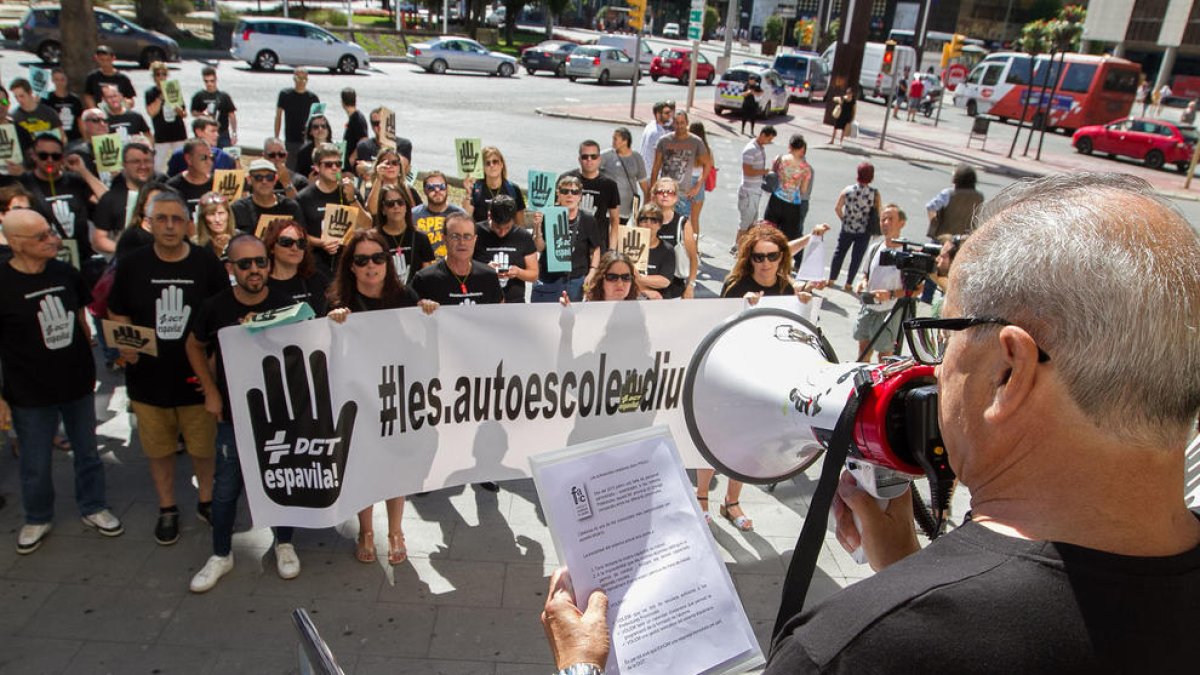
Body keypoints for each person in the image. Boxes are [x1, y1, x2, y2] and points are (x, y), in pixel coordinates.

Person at [542, 175, 1200, 674]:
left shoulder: (864, 649)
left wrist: (580, 666)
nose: (936, 369)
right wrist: (901, 563)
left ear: (1010, 370)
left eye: (944, 334)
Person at [0, 208, 124, 554]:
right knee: (34, 460)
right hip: (29, 392)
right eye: (41, 237)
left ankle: (94, 506)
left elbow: (83, 323)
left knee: (87, 451)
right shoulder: (3, 282)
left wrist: (92, 367)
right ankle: (37, 516)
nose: (52, 240)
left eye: (51, 232)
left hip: (76, 383)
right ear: (15, 243)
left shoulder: (65, 272)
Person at [107, 191, 227, 545]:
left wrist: (214, 369)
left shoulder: (206, 263)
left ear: (189, 224)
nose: (170, 226)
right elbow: (117, 308)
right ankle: (167, 508)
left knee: (203, 449)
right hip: (147, 379)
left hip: (196, 380)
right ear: (149, 223)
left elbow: (223, 313)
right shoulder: (132, 263)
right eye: (162, 219)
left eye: (177, 219)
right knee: (159, 451)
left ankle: (206, 501)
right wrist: (126, 345)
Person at [186, 233, 301, 592]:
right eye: (245, 264)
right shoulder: (214, 306)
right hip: (233, 416)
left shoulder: (286, 303)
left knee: (281, 480)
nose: (254, 270)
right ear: (230, 268)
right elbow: (194, 345)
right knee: (225, 489)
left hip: (277, 414)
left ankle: (284, 543)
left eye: (260, 262)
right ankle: (221, 553)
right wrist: (211, 391)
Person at [327, 230, 438, 564]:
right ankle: (366, 530)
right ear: (351, 266)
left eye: (378, 258)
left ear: (387, 263)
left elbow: (422, 338)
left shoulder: (404, 296)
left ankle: (394, 530)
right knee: (362, 466)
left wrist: (427, 311)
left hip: (394, 396)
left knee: (394, 466)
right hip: (357, 398)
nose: (371, 266)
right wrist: (333, 323)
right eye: (361, 260)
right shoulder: (336, 303)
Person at [19, 133, 108, 270]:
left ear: (63, 158)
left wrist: (83, 171)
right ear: (34, 156)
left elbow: (109, 203)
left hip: (82, 258)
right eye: (43, 156)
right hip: (44, 261)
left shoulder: (75, 181)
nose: (50, 160)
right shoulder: (24, 184)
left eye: (56, 156)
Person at [531, 175, 604, 303]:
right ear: (558, 194)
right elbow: (539, 247)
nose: (570, 195)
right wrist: (537, 227)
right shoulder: (548, 214)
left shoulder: (588, 219)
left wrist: (592, 272)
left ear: (580, 196)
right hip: (549, 277)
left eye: (574, 192)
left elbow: (596, 248)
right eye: (565, 191)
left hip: (575, 279)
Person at [852, 204, 908, 362]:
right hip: (868, 307)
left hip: (889, 311)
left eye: (890, 219)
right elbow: (865, 273)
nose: (885, 223)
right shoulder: (875, 248)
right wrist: (862, 283)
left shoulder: (906, 253)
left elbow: (916, 290)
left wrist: (890, 294)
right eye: (883, 219)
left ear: (902, 223)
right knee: (863, 351)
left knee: (884, 357)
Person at [412, 212, 503, 305]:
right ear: (444, 239)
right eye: (455, 236)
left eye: (467, 236)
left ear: (475, 239)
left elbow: (499, 313)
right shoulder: (424, 279)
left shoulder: (489, 276)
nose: (462, 242)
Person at [296, 143, 362, 267]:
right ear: (316, 167)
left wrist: (352, 199)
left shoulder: (350, 191)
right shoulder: (303, 198)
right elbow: (299, 234)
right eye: (328, 164)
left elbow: (367, 225)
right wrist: (321, 243)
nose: (334, 168)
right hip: (316, 262)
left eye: (338, 164)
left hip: (348, 262)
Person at [93, 141, 159, 256]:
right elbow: (99, 240)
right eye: (136, 162)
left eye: (147, 161)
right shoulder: (110, 199)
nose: (143, 166)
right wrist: (126, 250)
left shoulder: (166, 194)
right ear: (124, 164)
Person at [473, 194, 538, 304]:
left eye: (507, 228)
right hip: (482, 300)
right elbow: (461, 265)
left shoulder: (523, 236)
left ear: (513, 220)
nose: (502, 233)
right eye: (497, 227)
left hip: (514, 301)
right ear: (489, 216)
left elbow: (534, 275)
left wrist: (518, 272)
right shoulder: (475, 232)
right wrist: (484, 270)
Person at [828, 161, 882, 290]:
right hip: (864, 230)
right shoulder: (875, 193)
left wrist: (844, 219)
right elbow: (878, 211)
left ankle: (831, 279)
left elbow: (837, 208)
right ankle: (848, 284)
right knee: (856, 257)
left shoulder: (848, 190)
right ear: (871, 177)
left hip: (847, 227)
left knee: (839, 252)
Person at [650, 110, 710, 218]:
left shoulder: (696, 142)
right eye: (677, 123)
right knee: (662, 224)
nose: (679, 126)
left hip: (683, 195)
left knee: (681, 227)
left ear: (687, 123)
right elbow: (655, 168)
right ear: (673, 123)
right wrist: (653, 191)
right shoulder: (663, 141)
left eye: (682, 123)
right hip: (665, 192)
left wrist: (697, 185)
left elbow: (707, 164)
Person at [264, 219, 330, 315]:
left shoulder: (317, 279)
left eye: (301, 243)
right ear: (271, 247)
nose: (295, 248)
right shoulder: (262, 285)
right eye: (286, 242)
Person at [764, 133, 814, 261]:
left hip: (776, 199)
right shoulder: (806, 168)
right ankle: (780, 261)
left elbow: (772, 176)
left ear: (790, 146)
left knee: (768, 231)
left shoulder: (779, 159)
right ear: (802, 149)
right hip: (793, 204)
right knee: (787, 238)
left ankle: (766, 255)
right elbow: (803, 190)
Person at [374, 182, 434, 286]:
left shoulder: (421, 238)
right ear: (383, 209)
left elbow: (427, 276)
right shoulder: (374, 238)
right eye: (390, 203)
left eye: (400, 202)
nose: (396, 207)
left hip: (414, 297)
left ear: (406, 207)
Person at [649, 177, 698, 299]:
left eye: (670, 192)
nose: (665, 195)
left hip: (674, 289)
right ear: (653, 196)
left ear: (676, 198)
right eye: (661, 192)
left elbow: (693, 258)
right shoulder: (645, 220)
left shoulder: (683, 223)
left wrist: (690, 286)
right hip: (648, 287)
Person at [563, 140, 619, 247]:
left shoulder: (609, 184)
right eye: (585, 157)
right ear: (579, 159)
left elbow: (614, 220)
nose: (589, 160)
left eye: (593, 156)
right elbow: (555, 209)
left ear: (599, 159)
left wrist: (612, 249)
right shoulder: (567, 179)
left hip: (597, 242)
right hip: (568, 241)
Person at [231, 158, 305, 235]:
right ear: (249, 179)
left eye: (269, 177)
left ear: (276, 179)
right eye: (258, 178)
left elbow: (302, 237)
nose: (264, 181)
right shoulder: (238, 208)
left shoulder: (290, 207)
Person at [466, 146, 528, 231]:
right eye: (487, 163)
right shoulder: (475, 189)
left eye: (495, 162)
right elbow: (466, 218)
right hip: (482, 240)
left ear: (502, 164)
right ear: (482, 168)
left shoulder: (513, 189)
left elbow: (520, 225)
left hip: (506, 240)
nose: (492, 165)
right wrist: (468, 193)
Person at [737, 126, 776, 251]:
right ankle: (738, 248)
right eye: (769, 139)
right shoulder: (751, 149)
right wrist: (763, 171)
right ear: (763, 134)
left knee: (752, 224)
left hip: (755, 190)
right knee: (745, 223)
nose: (769, 142)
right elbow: (747, 170)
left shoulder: (759, 148)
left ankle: (743, 248)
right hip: (749, 191)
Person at [144, 62, 188, 175]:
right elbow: (151, 112)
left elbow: (184, 113)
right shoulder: (150, 93)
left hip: (178, 132)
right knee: (157, 165)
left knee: (182, 163)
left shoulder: (173, 89)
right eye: (158, 74)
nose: (161, 77)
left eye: (164, 74)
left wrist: (177, 108)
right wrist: (161, 97)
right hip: (161, 134)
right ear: (154, 77)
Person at [599, 127, 647, 225]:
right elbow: (591, 171)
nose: (613, 142)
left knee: (620, 234)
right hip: (607, 207)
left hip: (626, 208)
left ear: (625, 141)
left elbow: (644, 184)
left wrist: (645, 206)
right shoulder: (606, 156)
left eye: (615, 139)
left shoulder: (636, 158)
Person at [412, 171, 465, 260]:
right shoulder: (413, 215)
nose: (437, 191)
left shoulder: (460, 214)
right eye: (431, 188)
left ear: (447, 189)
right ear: (424, 190)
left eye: (441, 187)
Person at [274, 69, 319, 168]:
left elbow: (317, 119)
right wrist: (276, 138)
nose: (302, 82)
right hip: (291, 139)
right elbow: (278, 116)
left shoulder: (313, 98)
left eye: (304, 79)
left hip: (307, 140)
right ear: (294, 78)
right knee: (291, 167)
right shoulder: (285, 94)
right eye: (299, 78)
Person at [925, 163, 983, 238]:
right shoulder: (979, 196)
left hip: (946, 236)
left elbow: (930, 207)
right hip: (966, 237)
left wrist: (934, 222)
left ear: (956, 179)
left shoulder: (948, 194)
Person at [165, 117, 236, 176]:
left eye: (217, 131)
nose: (217, 135)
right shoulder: (180, 155)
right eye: (213, 131)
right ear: (199, 132)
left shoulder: (223, 156)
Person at [353, 107, 413, 177]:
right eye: (376, 123)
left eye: (383, 122)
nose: (379, 126)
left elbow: (402, 168)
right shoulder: (364, 146)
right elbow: (362, 171)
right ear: (372, 126)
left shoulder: (404, 144)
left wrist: (369, 166)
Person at [631, 203, 673, 300]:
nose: (648, 223)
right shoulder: (626, 244)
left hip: (656, 299)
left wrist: (640, 279)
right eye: (644, 219)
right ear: (638, 223)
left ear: (660, 224)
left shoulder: (667, 249)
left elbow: (665, 281)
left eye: (654, 220)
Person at [189, 66, 237, 148]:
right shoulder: (199, 96)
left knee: (224, 157)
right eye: (206, 81)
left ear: (216, 80)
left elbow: (232, 115)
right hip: (206, 134)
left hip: (222, 133)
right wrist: (203, 114)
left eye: (212, 81)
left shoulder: (224, 96)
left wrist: (234, 133)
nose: (209, 84)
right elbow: (193, 112)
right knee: (205, 156)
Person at [165, 138, 215, 212]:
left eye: (211, 157)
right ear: (189, 159)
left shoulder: (218, 182)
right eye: (203, 158)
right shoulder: (172, 187)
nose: (209, 162)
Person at [83, 45, 135, 110]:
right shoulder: (92, 77)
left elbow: (130, 100)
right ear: (96, 58)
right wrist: (94, 109)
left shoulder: (123, 78)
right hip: (100, 113)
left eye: (107, 60)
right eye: (102, 60)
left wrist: (122, 108)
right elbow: (88, 95)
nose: (105, 63)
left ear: (113, 58)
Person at [686, 121, 714, 236]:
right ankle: (695, 247)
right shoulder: (707, 149)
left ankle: (682, 244)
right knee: (695, 219)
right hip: (699, 183)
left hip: (686, 183)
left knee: (682, 218)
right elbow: (711, 166)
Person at [42, 68, 84, 142]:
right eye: (57, 80)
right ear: (52, 80)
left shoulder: (74, 99)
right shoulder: (47, 99)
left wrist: (84, 137)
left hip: (74, 137)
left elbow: (80, 120)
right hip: (55, 138)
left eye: (62, 79)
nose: (60, 83)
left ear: (66, 80)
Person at [262, 137, 307, 201]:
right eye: (272, 155)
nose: (277, 158)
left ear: (286, 155)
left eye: (281, 154)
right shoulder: (258, 179)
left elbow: (299, 207)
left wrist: (287, 183)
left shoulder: (300, 181)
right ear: (264, 156)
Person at [637, 100, 674, 176]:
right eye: (666, 113)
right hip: (653, 174)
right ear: (658, 114)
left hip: (646, 170)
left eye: (669, 112)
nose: (669, 115)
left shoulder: (651, 125)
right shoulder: (658, 133)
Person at [294, 113, 333, 180]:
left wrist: (337, 177)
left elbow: (342, 171)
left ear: (328, 130)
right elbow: (298, 177)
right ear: (310, 131)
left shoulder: (337, 149)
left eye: (323, 126)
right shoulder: (304, 152)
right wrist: (308, 181)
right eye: (315, 127)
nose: (320, 129)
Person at [195, 191, 233, 259]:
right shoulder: (195, 245)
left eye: (221, 213)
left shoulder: (241, 239)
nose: (217, 220)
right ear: (203, 218)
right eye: (211, 214)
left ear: (228, 214)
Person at [341, 88, 369, 172]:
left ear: (342, 102)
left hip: (353, 165)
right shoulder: (353, 117)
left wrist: (352, 158)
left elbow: (364, 139)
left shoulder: (357, 118)